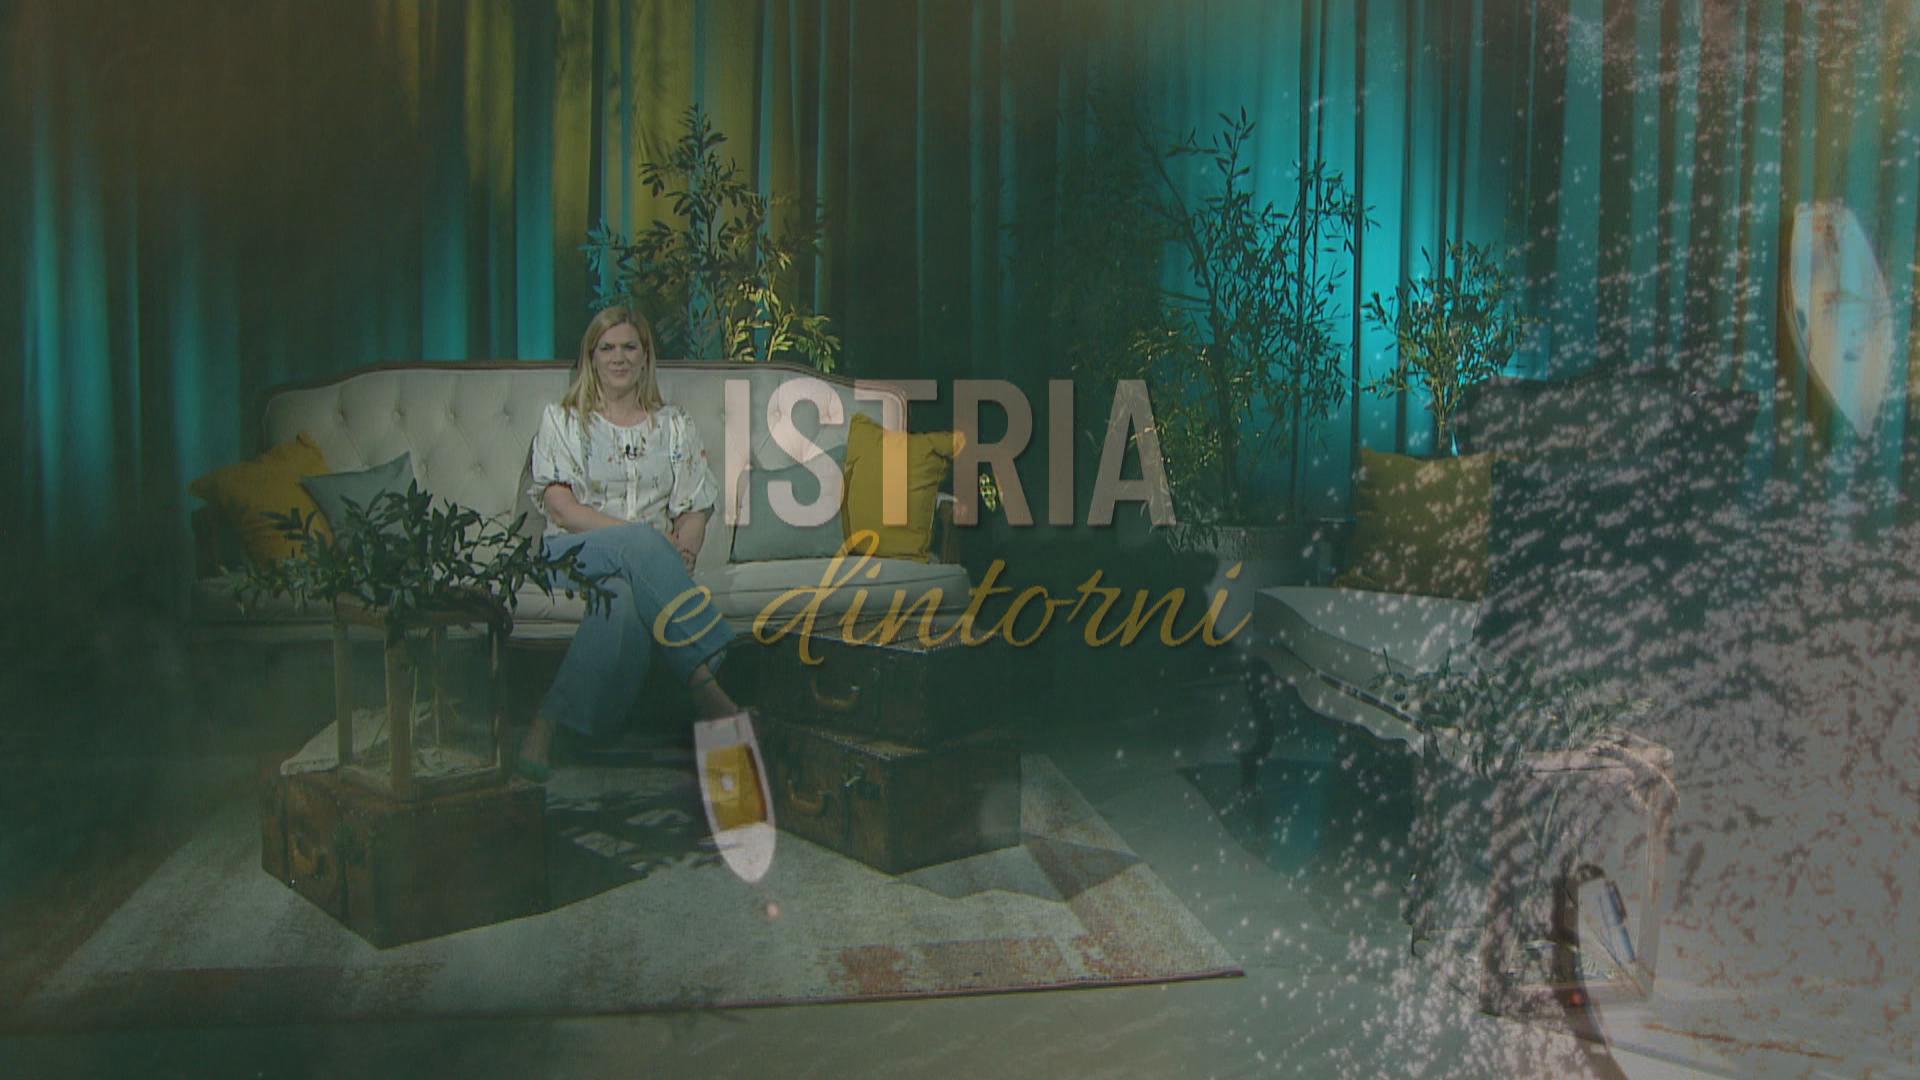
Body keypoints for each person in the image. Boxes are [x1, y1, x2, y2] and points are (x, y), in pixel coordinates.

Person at [516, 305, 743, 779]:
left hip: (648, 562)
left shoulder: (674, 425)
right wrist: (644, 542)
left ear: (645, 357)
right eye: (607, 348)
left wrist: (684, 550)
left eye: (629, 347)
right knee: (638, 544)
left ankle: (547, 725)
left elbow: (695, 508)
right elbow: (562, 509)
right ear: (591, 357)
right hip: (572, 551)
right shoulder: (562, 420)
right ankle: (704, 681)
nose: (618, 357)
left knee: (619, 599)